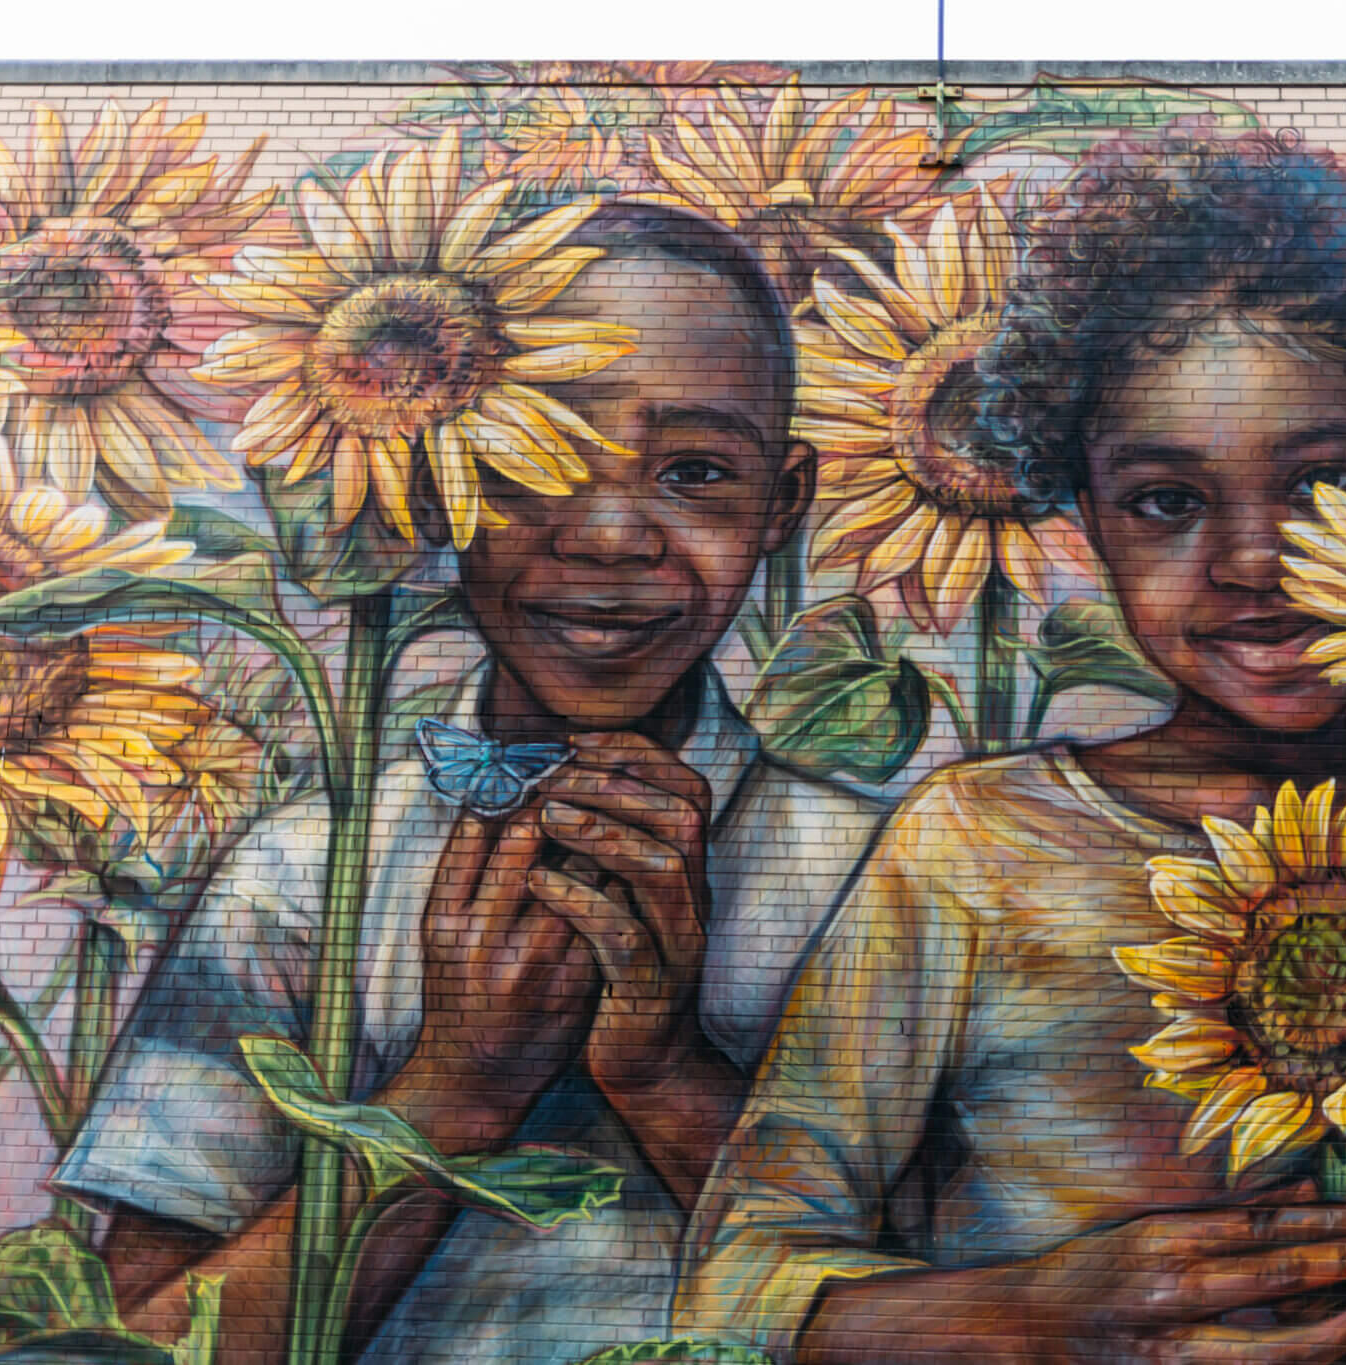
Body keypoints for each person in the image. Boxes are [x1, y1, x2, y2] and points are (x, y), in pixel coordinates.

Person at [678, 134, 1346, 1365]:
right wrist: (1031, 1317)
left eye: (1320, 484)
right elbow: (736, 1283)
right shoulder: (975, 850)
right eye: (1166, 502)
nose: (1252, 562)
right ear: (1085, 519)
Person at [51, 202, 886, 1365]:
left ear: (781, 506)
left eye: (694, 472)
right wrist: (455, 1089)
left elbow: (962, 1299)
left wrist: (662, 1074)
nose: (607, 536)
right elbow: (146, 1337)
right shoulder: (309, 870)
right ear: (434, 480)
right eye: (531, 459)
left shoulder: (880, 873)